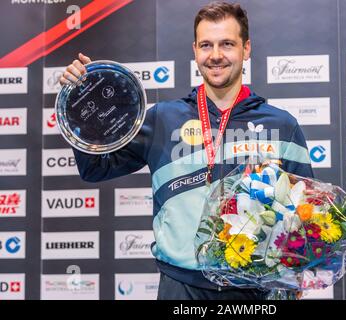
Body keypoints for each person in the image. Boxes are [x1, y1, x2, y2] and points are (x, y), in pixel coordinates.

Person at [60, 1, 313, 300]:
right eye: (206, 45)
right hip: (181, 288)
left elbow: (306, 213)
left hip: (255, 290)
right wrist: (79, 106)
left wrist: (297, 273)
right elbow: (95, 168)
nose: (216, 55)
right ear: (194, 50)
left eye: (227, 44)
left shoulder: (282, 125)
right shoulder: (162, 119)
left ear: (246, 49)